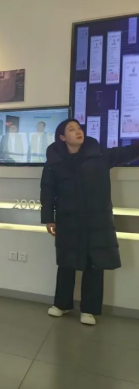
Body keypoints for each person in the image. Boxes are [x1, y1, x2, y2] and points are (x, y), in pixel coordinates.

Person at [41, 119, 139, 326]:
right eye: (72, 129)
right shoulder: (54, 162)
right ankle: (61, 304)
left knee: (94, 263)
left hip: (96, 221)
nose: (78, 131)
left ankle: (89, 310)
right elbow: (47, 191)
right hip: (68, 220)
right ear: (62, 137)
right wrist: (49, 218)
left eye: (79, 128)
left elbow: (129, 151)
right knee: (66, 263)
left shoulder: (99, 155)